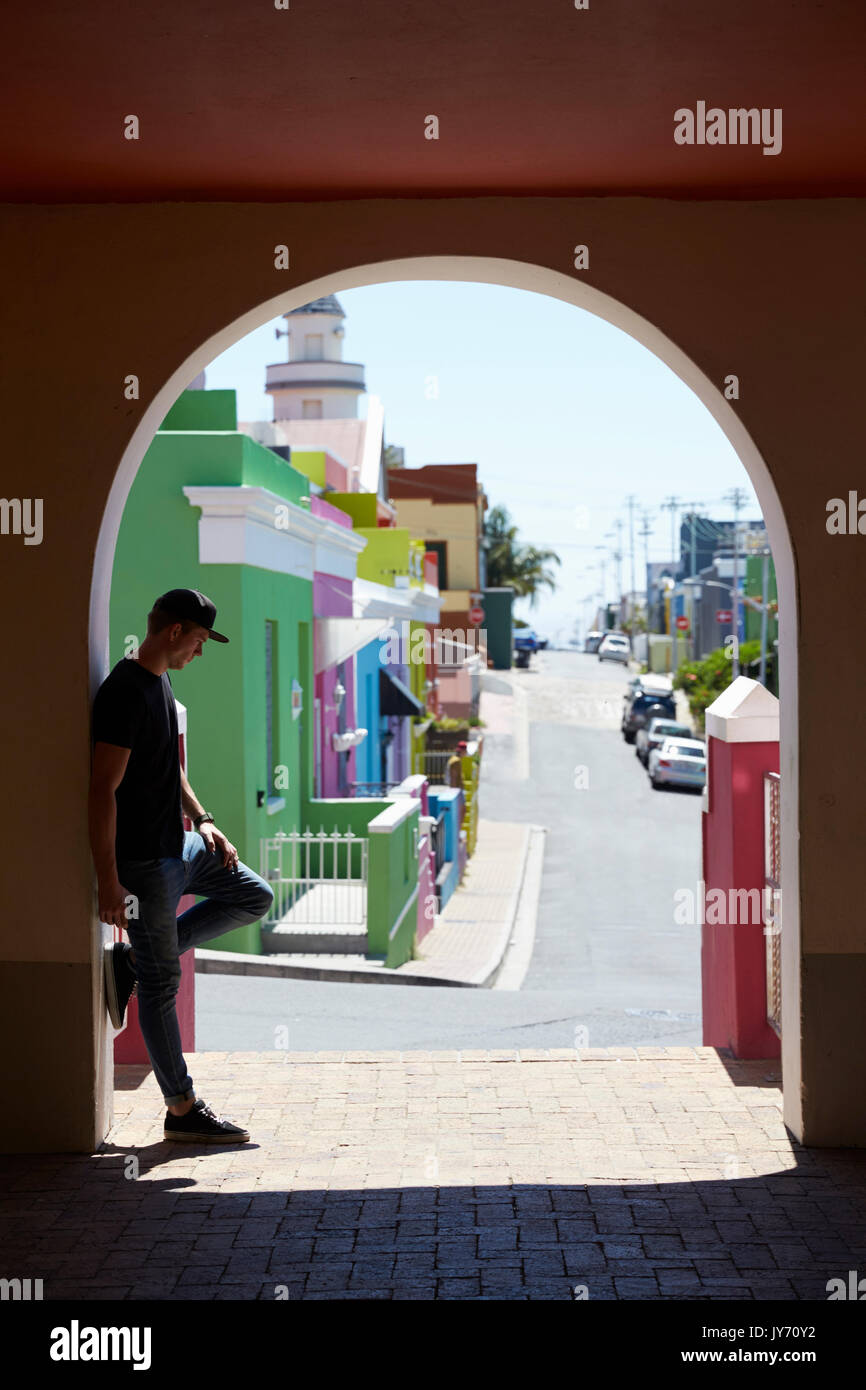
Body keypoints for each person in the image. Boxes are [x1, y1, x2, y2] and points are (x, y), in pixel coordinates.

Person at [89, 588, 274, 1143]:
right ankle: (181, 1109)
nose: (200, 653)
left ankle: (136, 964)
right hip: (145, 864)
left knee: (254, 896)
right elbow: (102, 791)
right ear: (175, 632)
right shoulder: (124, 692)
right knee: (163, 985)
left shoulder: (160, 681)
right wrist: (108, 883)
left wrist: (206, 819)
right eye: (198, 641)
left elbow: (171, 767)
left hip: (183, 845)